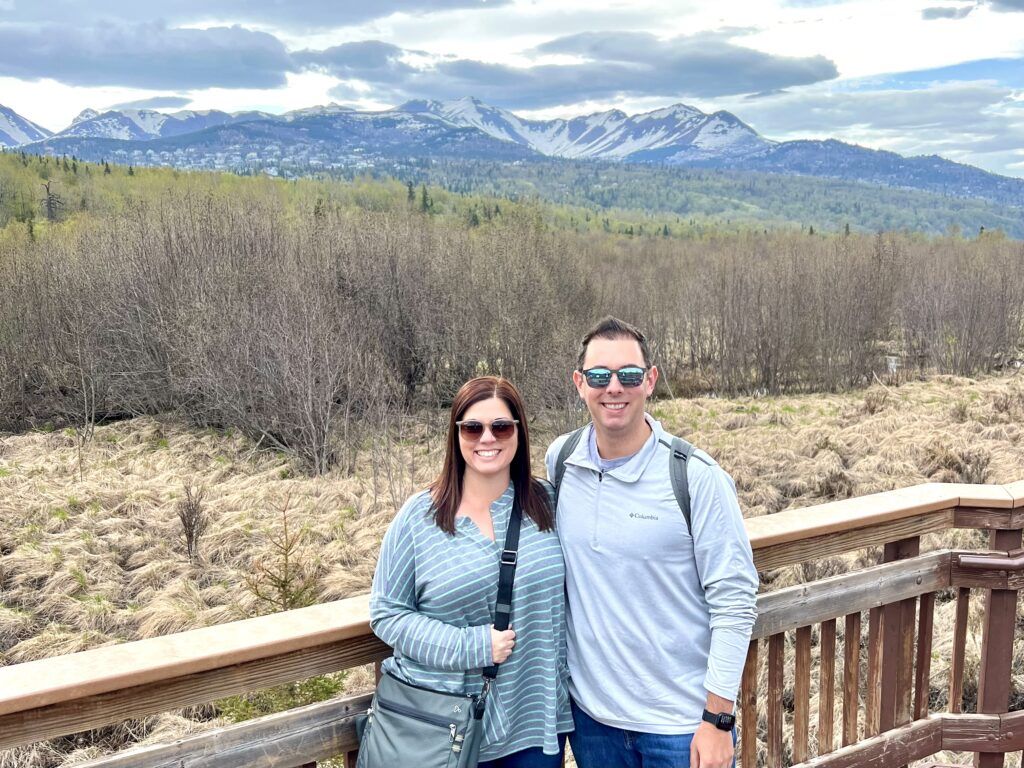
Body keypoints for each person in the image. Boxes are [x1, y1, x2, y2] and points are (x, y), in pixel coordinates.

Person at [546, 317, 758, 768]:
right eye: (600, 376)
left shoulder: (696, 477)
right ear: (580, 384)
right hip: (593, 722)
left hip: (681, 727)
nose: (614, 388)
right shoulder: (562, 462)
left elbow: (735, 601)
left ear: (651, 381)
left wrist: (718, 720)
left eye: (629, 374)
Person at [371, 376, 572, 767]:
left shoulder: (546, 503)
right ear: (456, 434)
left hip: (535, 724)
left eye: (500, 426)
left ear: (518, 432)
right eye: (472, 427)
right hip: (445, 727)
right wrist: (472, 646)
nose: (487, 438)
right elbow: (386, 613)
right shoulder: (419, 517)